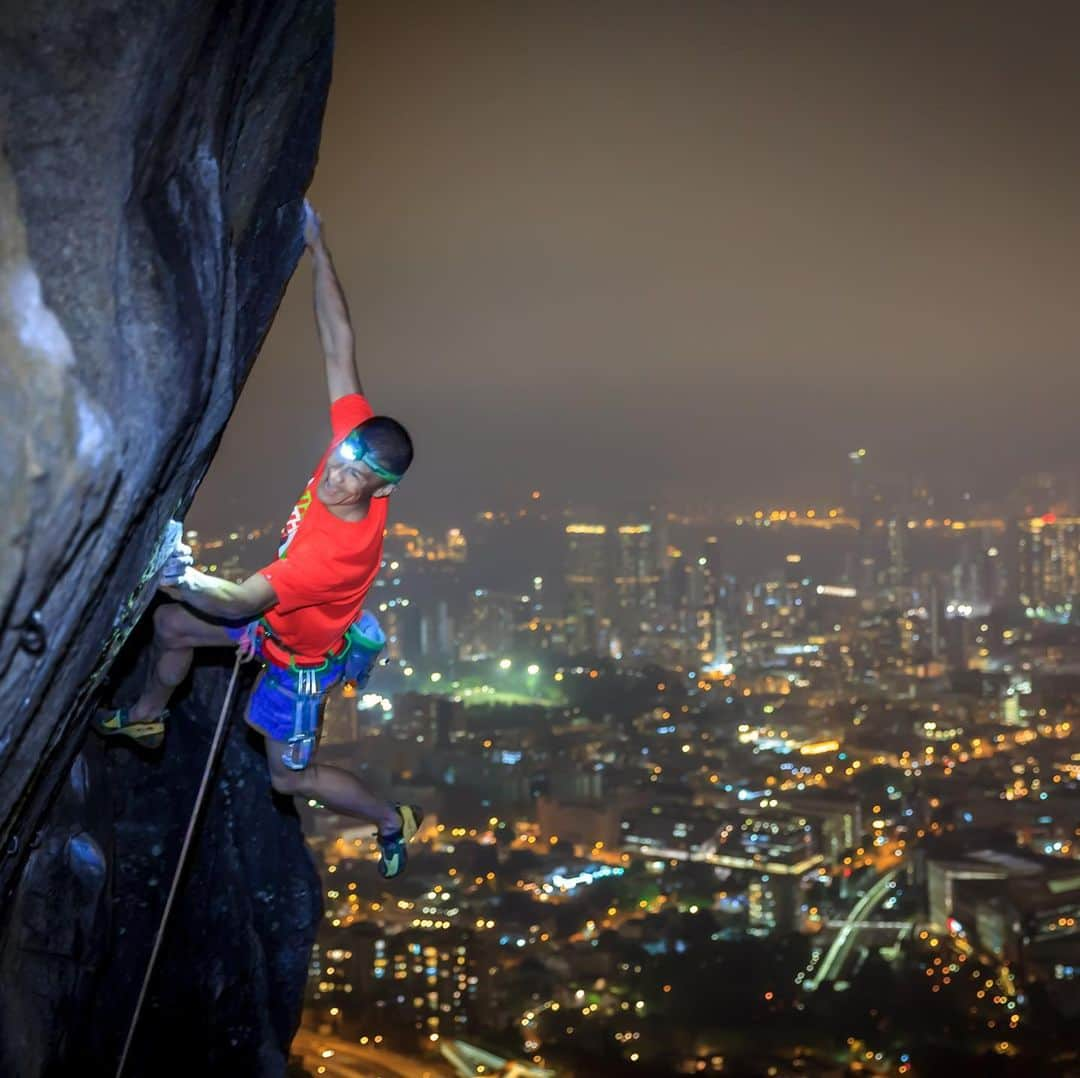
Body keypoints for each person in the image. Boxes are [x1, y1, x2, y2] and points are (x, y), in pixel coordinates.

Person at [94, 202, 422, 879]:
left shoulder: (330, 555)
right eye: (338, 462)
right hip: (286, 623)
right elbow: (339, 344)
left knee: (286, 782)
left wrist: (172, 572)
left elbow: (242, 600)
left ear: (380, 491)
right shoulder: (353, 443)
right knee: (173, 629)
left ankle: (391, 818)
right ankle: (147, 717)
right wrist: (317, 247)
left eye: (353, 478)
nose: (334, 478)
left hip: (300, 661)